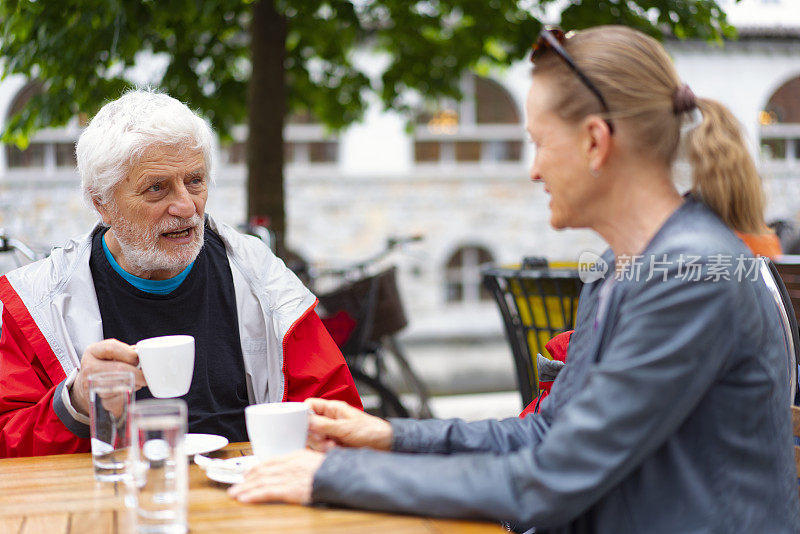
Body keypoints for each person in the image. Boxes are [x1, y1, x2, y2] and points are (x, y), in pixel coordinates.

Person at [227, 26, 800, 532]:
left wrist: (334, 476)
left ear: (595, 141)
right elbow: (545, 435)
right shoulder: (617, 268)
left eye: (539, 142)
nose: (532, 169)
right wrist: (390, 436)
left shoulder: (687, 277)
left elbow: (549, 480)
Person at [0, 90, 362, 458]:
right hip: (109, 504)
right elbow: (8, 440)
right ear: (101, 203)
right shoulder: (41, 302)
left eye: (194, 181)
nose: (187, 206)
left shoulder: (261, 278)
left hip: (247, 495)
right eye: (156, 188)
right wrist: (75, 402)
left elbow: (339, 415)